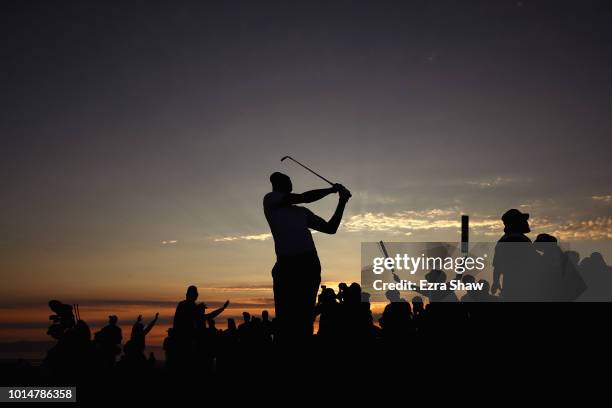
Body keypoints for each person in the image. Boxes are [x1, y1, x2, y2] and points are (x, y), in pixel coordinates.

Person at [263, 172, 351, 342]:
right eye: (286, 181)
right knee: (286, 316)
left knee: (304, 315)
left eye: (289, 181)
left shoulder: (302, 212)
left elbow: (330, 228)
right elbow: (304, 197)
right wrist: (331, 190)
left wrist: (342, 202)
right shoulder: (270, 199)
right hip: (287, 264)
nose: (289, 184)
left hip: (308, 263)